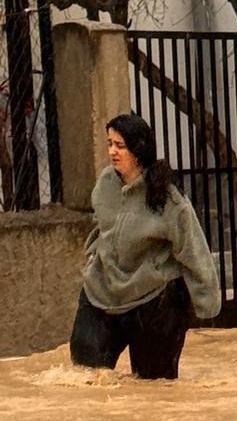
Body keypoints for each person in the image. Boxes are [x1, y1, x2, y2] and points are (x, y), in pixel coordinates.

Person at [70, 112, 221, 379]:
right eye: (109, 144)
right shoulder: (105, 183)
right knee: (84, 377)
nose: (113, 152)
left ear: (138, 150)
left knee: (153, 388)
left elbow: (193, 248)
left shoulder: (167, 197)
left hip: (153, 300)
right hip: (102, 293)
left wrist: (207, 303)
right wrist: (93, 255)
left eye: (120, 146)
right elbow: (101, 224)